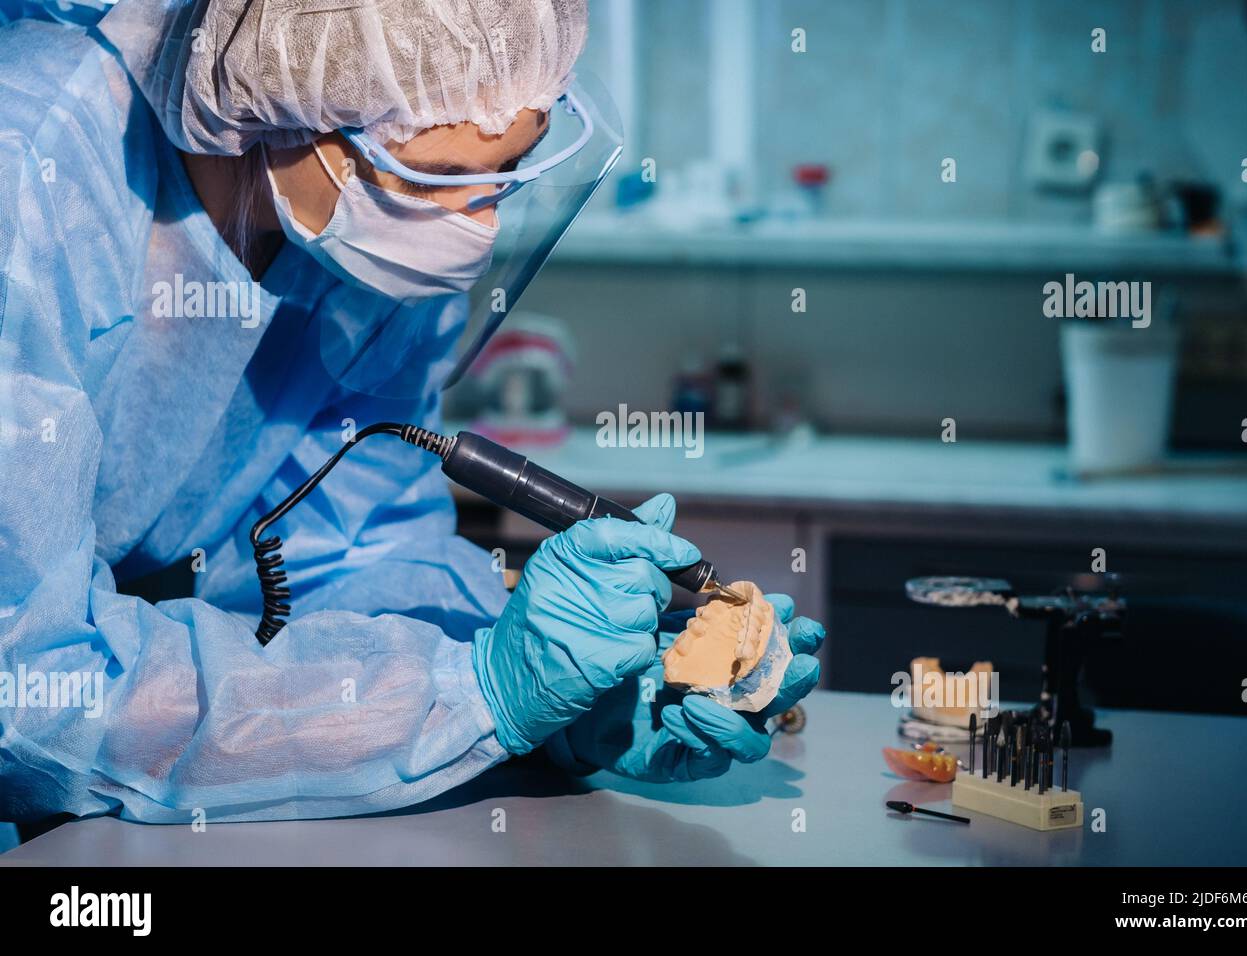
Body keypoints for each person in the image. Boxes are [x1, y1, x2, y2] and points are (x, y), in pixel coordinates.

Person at [0, 0, 822, 828]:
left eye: (508, 167)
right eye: (439, 177)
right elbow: (27, 688)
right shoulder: (29, 168)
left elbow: (352, 555)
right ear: (293, 107)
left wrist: (567, 701)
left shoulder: (371, 231)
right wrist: (476, 693)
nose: (476, 227)